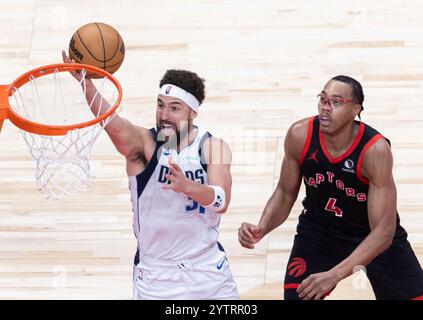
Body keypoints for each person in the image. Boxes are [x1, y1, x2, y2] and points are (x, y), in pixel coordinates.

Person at [62, 51, 239, 300]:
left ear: (193, 112)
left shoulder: (213, 147)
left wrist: (188, 186)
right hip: (157, 278)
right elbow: (111, 121)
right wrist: (86, 84)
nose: (164, 115)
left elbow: (221, 201)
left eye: (175, 108)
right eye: (160, 105)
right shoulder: (143, 145)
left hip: (209, 271)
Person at [238, 75, 423, 300]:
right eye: (323, 99)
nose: (326, 107)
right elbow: (285, 193)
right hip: (320, 230)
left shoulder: (375, 151)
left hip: (371, 235)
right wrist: (262, 227)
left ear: (356, 109)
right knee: (299, 297)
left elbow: (384, 232)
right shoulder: (299, 134)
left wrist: (334, 275)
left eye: (336, 102)